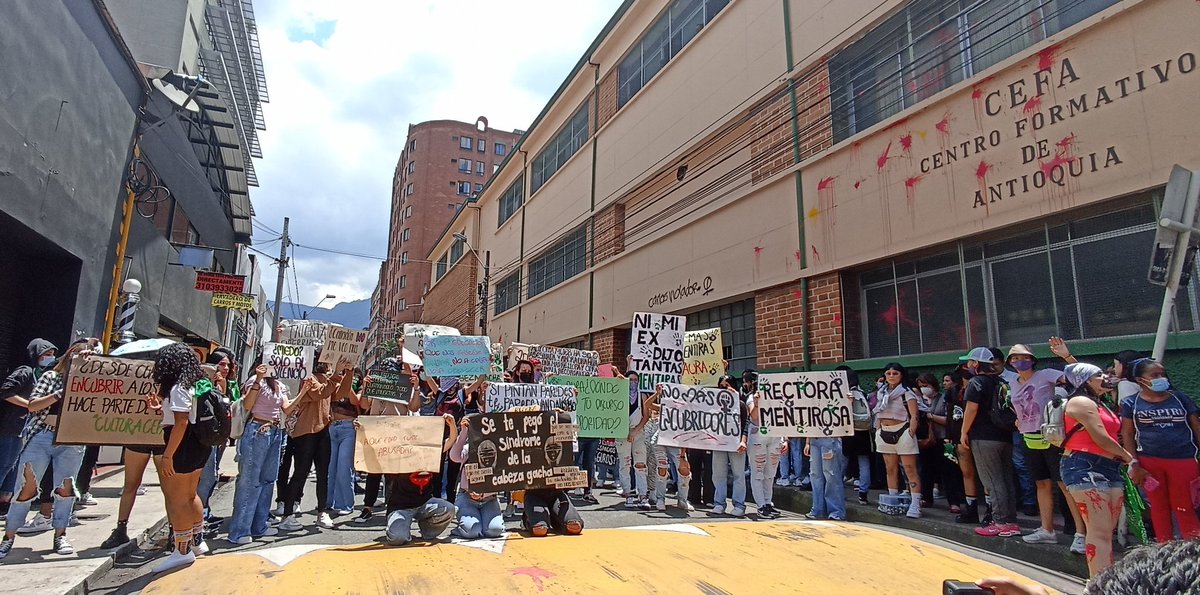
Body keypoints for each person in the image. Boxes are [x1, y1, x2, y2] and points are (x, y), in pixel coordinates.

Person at [0, 341, 90, 560]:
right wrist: (61, 393)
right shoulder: (51, 378)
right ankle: (8, 537)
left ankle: (60, 534)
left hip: (72, 440)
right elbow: (33, 405)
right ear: (69, 358)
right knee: (26, 487)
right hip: (43, 435)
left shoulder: (91, 384)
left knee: (66, 489)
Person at [1002, 341, 1086, 552]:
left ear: (1032, 360)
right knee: (1041, 483)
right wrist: (1018, 420)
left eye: (1024, 357)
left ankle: (1081, 533)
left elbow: (1082, 379)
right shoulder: (1013, 382)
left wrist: (1067, 357)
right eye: (1015, 358)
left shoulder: (1047, 374)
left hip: (1053, 436)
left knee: (1064, 484)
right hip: (1028, 437)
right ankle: (1047, 530)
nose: (1020, 361)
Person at [1061, 363, 1133, 578]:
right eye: (1098, 374)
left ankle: (1103, 581)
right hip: (1084, 465)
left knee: (1105, 531)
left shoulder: (1102, 403)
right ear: (1086, 380)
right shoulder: (1080, 402)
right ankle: (1097, 585)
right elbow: (1100, 437)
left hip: (1109, 466)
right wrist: (1130, 459)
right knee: (1099, 531)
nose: (1105, 377)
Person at [1120, 358, 1200, 543]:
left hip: (1184, 460)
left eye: (1162, 374)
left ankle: (1193, 550)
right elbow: (1127, 433)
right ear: (1140, 380)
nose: (1161, 378)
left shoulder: (1181, 399)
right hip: (1149, 463)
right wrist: (1134, 464)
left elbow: (1196, 427)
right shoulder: (1131, 404)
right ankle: (1164, 546)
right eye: (1155, 375)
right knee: (1159, 507)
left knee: (1185, 506)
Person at [151, 343, 213, 573]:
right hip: (198, 443)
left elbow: (181, 422)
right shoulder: (195, 383)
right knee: (190, 494)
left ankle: (182, 551)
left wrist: (168, 455)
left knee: (177, 499)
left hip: (181, 444)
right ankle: (197, 542)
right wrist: (161, 408)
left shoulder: (178, 387)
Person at [227, 363, 290, 545]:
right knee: (250, 481)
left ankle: (259, 525)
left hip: (275, 430)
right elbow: (247, 404)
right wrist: (259, 379)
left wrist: (304, 392)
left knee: (268, 479)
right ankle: (239, 531)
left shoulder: (279, 385)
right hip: (257, 430)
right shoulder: (256, 380)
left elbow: (287, 408)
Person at [959, 347, 1018, 537]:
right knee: (1006, 478)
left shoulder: (976, 382)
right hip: (1005, 435)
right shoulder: (1001, 381)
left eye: (969, 362)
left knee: (992, 480)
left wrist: (963, 432)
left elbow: (971, 409)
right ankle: (1010, 520)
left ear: (976, 364)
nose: (967, 365)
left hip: (983, 437)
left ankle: (1000, 522)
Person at [355, 357, 421, 523]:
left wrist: (416, 388)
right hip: (376, 432)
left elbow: (414, 407)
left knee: (395, 473)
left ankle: (394, 509)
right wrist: (366, 387)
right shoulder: (376, 384)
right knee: (373, 472)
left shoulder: (404, 385)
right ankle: (367, 508)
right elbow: (364, 405)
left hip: (397, 433)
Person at [0, 339, 57, 516]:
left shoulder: (44, 375)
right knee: (5, 464)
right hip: (12, 426)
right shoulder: (25, 371)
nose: (50, 357)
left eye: (52, 354)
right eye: (46, 354)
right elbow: (6, 392)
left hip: (27, 428)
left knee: (15, 466)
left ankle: (5, 501)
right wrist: (30, 405)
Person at [384, 414, 458, 545]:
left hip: (425, 503)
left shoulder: (431, 451)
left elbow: (451, 440)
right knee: (397, 539)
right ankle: (396, 527)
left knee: (449, 509)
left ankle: (427, 530)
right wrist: (362, 431)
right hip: (400, 507)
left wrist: (451, 424)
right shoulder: (399, 454)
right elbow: (376, 451)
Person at [278, 361, 334, 532]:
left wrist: (348, 372)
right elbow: (319, 393)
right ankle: (288, 514)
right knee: (300, 472)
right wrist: (337, 375)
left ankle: (322, 511)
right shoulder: (308, 378)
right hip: (305, 432)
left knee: (323, 473)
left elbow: (340, 392)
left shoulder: (328, 380)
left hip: (323, 429)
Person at [872, 363, 922, 518]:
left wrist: (911, 431)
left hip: (903, 430)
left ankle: (915, 503)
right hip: (884, 432)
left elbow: (915, 414)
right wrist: (879, 429)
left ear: (902, 375)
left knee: (910, 469)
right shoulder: (881, 393)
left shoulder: (907, 392)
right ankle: (892, 498)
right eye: (888, 373)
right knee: (890, 468)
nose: (891, 376)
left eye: (895, 373)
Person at [198, 347, 239, 529]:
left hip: (219, 439)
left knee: (212, 475)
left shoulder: (227, 385)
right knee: (206, 477)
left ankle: (205, 511)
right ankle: (199, 518)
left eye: (227, 365)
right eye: (221, 364)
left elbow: (232, 404)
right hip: (204, 438)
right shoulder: (202, 384)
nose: (225, 368)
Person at [447, 415, 504, 539]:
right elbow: (454, 456)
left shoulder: (500, 451)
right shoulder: (469, 449)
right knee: (472, 531)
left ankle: (485, 522)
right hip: (467, 498)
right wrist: (464, 432)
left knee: (495, 530)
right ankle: (461, 528)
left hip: (490, 500)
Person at [806, 372, 853, 520]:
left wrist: (848, 402)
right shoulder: (811, 401)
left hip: (830, 439)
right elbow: (809, 420)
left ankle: (836, 511)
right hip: (814, 439)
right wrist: (807, 442)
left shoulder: (836, 399)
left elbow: (843, 413)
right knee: (815, 476)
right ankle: (817, 509)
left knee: (831, 475)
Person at [644, 384, 693, 513]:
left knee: (685, 471)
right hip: (660, 441)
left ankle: (683, 500)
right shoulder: (664, 408)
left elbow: (686, 435)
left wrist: (683, 455)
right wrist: (657, 394)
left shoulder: (685, 413)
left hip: (677, 443)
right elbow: (647, 405)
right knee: (662, 468)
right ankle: (661, 499)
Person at [745, 370, 786, 519]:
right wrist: (756, 403)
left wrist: (785, 438)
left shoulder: (777, 397)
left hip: (774, 437)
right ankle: (761, 505)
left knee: (770, 474)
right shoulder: (752, 397)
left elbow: (783, 418)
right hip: (757, 436)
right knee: (757, 473)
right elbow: (754, 416)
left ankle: (768, 503)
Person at [710, 374, 748, 517]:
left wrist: (743, 440)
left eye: (727, 386)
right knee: (718, 474)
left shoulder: (741, 404)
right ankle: (719, 503)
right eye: (721, 386)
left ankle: (739, 504)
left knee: (739, 474)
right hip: (719, 443)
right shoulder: (712, 404)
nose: (724, 389)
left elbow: (746, 424)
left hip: (736, 443)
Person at [615, 364, 651, 510]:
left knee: (640, 464)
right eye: (630, 380)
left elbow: (646, 415)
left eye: (636, 380)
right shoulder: (619, 393)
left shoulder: (643, 395)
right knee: (625, 464)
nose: (633, 382)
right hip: (622, 432)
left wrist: (635, 431)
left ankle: (643, 495)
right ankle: (628, 494)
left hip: (638, 432)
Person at [327, 366, 361, 516]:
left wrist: (348, 382)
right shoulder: (334, 378)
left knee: (344, 467)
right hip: (332, 427)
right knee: (330, 467)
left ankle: (345, 504)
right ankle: (328, 502)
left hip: (349, 428)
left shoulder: (357, 378)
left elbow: (356, 401)